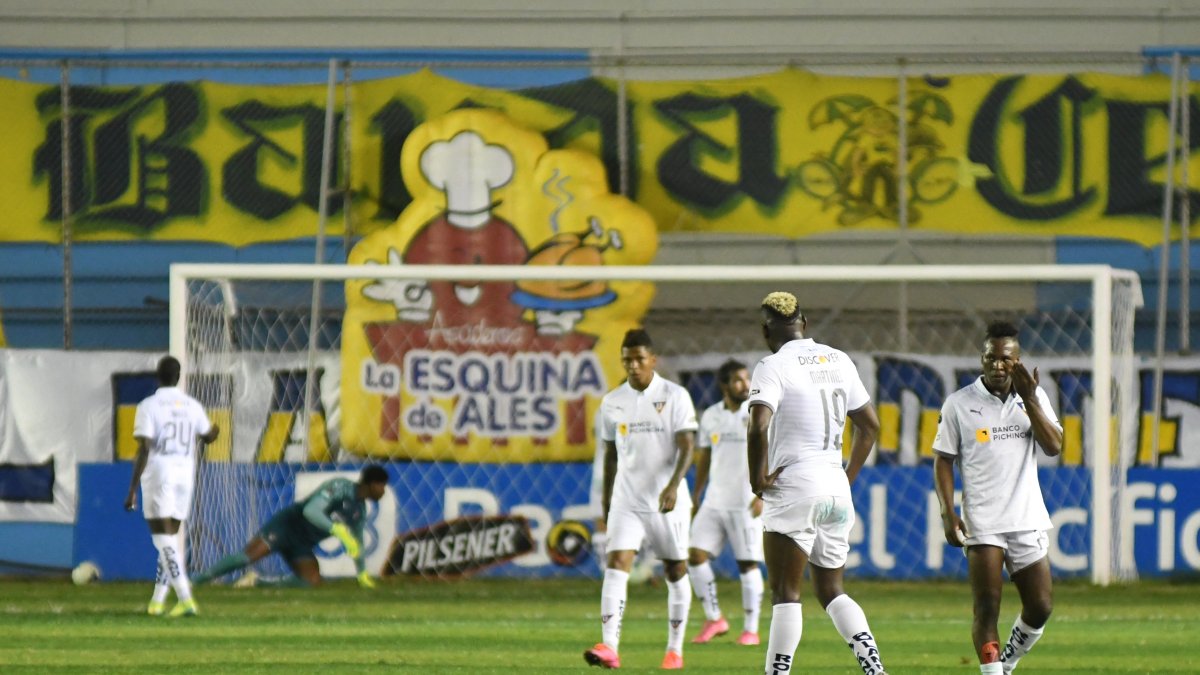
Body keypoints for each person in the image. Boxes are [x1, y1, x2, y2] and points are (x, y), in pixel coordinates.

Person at [748, 292, 888, 675]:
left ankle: (777, 673)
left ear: (765, 331)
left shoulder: (771, 366)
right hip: (835, 488)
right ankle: (874, 668)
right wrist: (847, 477)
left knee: (785, 594)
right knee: (831, 590)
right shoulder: (838, 359)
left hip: (795, 487)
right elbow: (870, 426)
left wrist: (756, 479)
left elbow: (758, 425)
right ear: (804, 324)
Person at [933, 321, 1062, 674]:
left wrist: (1031, 398)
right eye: (991, 357)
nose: (997, 365)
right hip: (983, 522)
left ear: (1017, 360)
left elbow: (1053, 446)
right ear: (982, 358)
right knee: (987, 606)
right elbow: (943, 459)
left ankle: (1007, 663)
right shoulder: (959, 403)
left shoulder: (1034, 397)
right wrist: (947, 511)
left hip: (1026, 519)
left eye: (1006, 359)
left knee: (1040, 606)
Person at [584, 329, 698, 671]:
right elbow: (609, 457)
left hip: (667, 501)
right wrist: (606, 504)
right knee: (616, 565)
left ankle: (674, 650)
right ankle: (609, 646)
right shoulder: (612, 402)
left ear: (652, 360)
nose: (633, 366)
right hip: (627, 500)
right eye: (627, 360)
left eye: (639, 359)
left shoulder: (675, 396)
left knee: (676, 569)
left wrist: (674, 486)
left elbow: (687, 446)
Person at [124, 355, 220, 618]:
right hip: (185, 475)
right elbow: (209, 435)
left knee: (162, 539)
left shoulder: (149, 406)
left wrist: (132, 488)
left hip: (160, 474)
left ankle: (186, 598)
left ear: (158, 375)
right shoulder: (192, 405)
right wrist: (215, 431)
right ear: (179, 377)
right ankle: (157, 601)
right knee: (170, 542)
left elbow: (144, 448)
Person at [192, 465, 389, 589]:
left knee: (312, 582)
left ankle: (256, 581)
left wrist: (362, 573)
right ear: (372, 484)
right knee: (247, 556)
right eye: (382, 486)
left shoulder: (359, 510)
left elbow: (358, 542)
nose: (383, 491)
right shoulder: (340, 487)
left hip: (302, 544)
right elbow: (310, 511)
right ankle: (197, 580)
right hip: (287, 526)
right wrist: (336, 529)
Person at [687, 359, 765, 647]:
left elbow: (772, 451)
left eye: (747, 379)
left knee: (747, 564)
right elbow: (705, 456)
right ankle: (714, 617)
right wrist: (696, 493)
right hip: (714, 501)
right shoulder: (710, 416)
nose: (745, 385)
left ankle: (751, 629)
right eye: (738, 380)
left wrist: (762, 494)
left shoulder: (757, 411)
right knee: (695, 556)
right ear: (724, 385)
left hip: (746, 501)